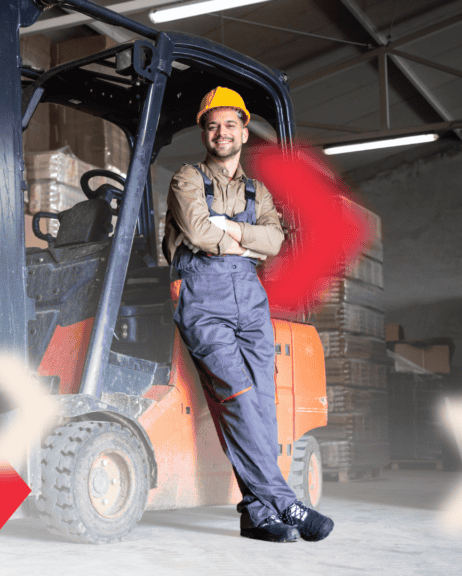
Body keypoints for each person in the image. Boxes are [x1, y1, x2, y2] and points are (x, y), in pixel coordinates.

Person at [163, 87, 334, 543]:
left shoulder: (259, 191)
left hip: (250, 301)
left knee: (261, 403)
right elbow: (198, 233)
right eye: (213, 125)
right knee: (238, 396)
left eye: (231, 125)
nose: (222, 133)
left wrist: (232, 230)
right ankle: (285, 501)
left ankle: (256, 515)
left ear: (243, 130)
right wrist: (245, 240)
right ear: (204, 131)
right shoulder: (186, 179)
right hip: (203, 297)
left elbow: (276, 242)